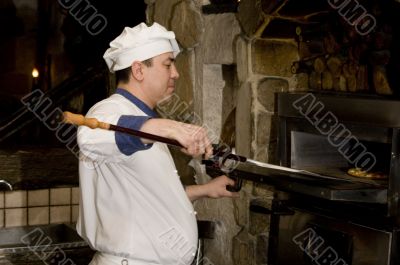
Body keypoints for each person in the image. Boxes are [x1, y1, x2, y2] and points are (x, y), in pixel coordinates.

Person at [76, 22, 239, 265]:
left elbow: (149, 194)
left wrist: (205, 190)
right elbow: (90, 135)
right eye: (168, 64)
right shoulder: (109, 110)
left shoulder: (145, 121)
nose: (176, 73)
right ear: (139, 70)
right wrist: (167, 127)